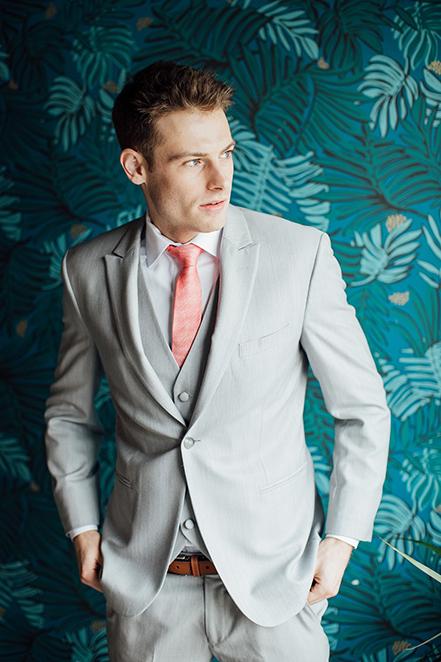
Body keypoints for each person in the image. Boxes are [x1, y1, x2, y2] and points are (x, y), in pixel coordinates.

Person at [45, 60, 390, 662]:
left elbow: (361, 410)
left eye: (226, 153)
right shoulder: (87, 269)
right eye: (192, 161)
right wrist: (83, 530)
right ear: (137, 167)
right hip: (147, 591)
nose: (220, 179)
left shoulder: (298, 255)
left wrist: (339, 543)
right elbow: (70, 416)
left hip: (275, 587)